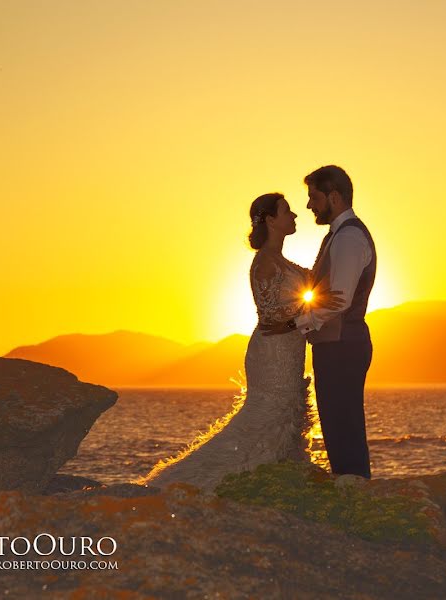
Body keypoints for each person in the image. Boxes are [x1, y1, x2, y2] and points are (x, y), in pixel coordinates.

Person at [137, 193, 341, 491]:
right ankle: (203, 480)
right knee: (269, 413)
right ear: (271, 220)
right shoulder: (264, 264)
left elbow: (306, 292)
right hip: (272, 352)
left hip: (288, 348)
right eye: (287, 211)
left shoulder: (281, 261)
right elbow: (271, 317)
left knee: (287, 411)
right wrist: (310, 309)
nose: (294, 215)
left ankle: (281, 475)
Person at [263, 165, 376, 479]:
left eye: (314, 197)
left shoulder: (349, 237)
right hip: (336, 344)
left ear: (334, 196)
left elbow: (337, 302)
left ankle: (355, 494)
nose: (310, 205)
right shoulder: (339, 236)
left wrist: (292, 325)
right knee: (339, 429)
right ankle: (352, 491)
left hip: (342, 345)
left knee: (344, 429)